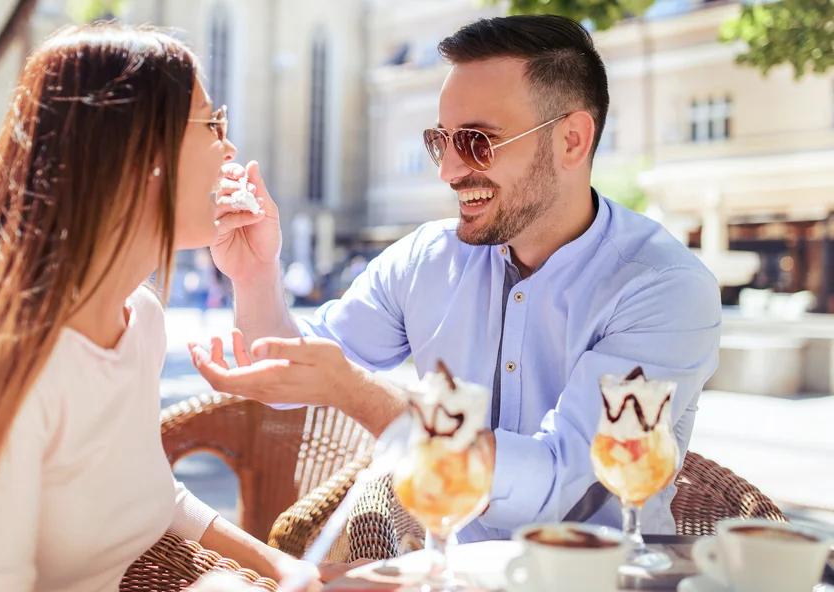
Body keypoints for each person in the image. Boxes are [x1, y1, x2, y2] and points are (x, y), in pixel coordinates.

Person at [0, 24, 336, 592]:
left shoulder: (138, 320)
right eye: (211, 122)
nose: (229, 147)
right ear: (138, 156)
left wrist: (275, 565)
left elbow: (141, 489)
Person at [192, 15, 722, 541]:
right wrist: (256, 272)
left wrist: (359, 394)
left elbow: (560, 482)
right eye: (439, 141)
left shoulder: (663, 287)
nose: (447, 170)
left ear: (571, 140)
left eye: (475, 141)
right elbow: (292, 376)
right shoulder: (425, 258)